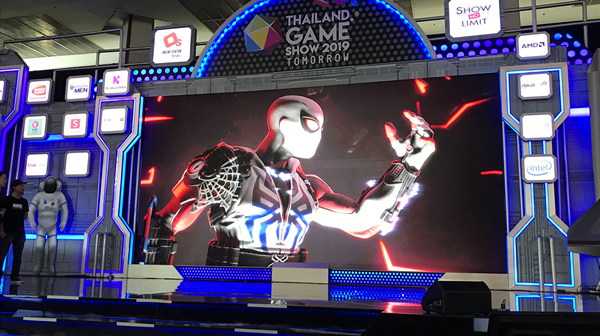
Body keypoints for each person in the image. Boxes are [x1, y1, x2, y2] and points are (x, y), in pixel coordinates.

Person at [145, 95, 435, 267]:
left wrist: (411, 162)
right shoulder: (231, 167)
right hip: (233, 288)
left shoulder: (307, 185)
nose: (318, 136)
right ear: (284, 123)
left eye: (321, 128)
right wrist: (153, 296)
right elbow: (164, 223)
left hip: (291, 289)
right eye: (312, 125)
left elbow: (362, 221)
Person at [0, 179, 29, 284]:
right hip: (8, 231)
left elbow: (25, 216)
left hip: (19, 232)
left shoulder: (24, 201)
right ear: (14, 187)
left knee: (18, 255)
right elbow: (2, 214)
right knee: (2, 254)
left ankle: (14, 277)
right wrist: (1, 229)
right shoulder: (7, 200)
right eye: (20, 186)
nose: (22, 188)